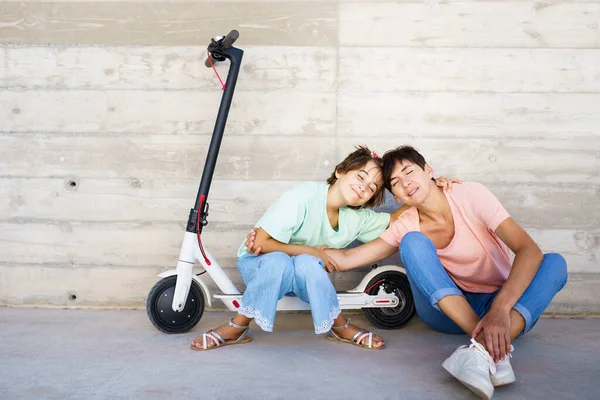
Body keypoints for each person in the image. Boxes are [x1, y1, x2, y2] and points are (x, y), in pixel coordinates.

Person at [322, 145, 568, 399]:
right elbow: (350, 257)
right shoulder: (407, 223)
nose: (405, 183)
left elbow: (529, 250)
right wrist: (299, 252)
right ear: (395, 195)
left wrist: (499, 311)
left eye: (409, 172)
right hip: (448, 312)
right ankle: (491, 347)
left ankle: (480, 352)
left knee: (555, 264)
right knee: (412, 241)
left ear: (428, 170)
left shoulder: (469, 194)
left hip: (505, 307)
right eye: (395, 182)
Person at [190, 145, 457, 351]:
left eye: (372, 187)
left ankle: (338, 327)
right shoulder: (304, 196)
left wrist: (430, 187)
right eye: (360, 176)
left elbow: (397, 219)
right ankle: (237, 326)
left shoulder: (356, 218)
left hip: (304, 275)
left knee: (307, 265)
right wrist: (315, 252)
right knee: (283, 261)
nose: (363, 187)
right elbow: (260, 243)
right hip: (262, 265)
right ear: (341, 172)